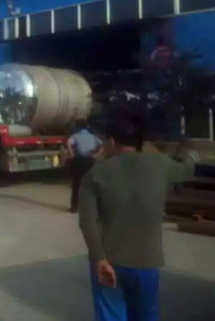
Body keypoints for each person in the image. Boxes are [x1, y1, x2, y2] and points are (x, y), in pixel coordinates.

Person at [78, 113, 195, 321]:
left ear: (111, 141)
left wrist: (99, 258)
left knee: (112, 314)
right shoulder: (161, 164)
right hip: (147, 262)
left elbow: (87, 221)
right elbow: (188, 168)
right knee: (145, 316)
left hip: (109, 261)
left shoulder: (95, 174)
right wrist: (186, 151)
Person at [67, 119, 103, 213]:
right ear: (87, 127)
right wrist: (96, 155)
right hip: (90, 161)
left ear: (77, 127)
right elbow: (102, 145)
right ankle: (92, 207)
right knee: (90, 185)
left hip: (78, 161)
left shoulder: (75, 136)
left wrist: (71, 152)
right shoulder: (93, 136)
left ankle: (74, 208)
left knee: (76, 185)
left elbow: (69, 143)